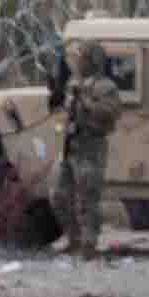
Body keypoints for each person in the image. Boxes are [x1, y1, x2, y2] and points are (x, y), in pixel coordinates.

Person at [54, 44, 124, 258]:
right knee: (60, 195)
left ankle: (89, 243)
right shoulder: (74, 83)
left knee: (88, 197)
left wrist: (86, 102)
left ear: (92, 61)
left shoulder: (106, 87)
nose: (78, 62)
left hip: (91, 147)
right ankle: (72, 238)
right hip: (71, 146)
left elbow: (112, 112)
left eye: (82, 58)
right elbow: (64, 111)